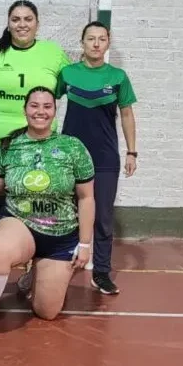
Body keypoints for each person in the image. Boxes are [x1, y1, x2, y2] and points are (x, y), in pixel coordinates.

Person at [0, 87, 95, 347]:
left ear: (55, 112)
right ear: (25, 110)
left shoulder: (73, 147)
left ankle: (34, 275)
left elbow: (86, 198)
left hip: (61, 235)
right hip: (19, 222)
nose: (40, 111)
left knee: (47, 312)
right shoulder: (8, 146)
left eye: (47, 106)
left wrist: (84, 243)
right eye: (34, 105)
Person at [0, 0, 70, 243]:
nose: (22, 24)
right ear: (8, 24)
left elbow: (64, 88)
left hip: (38, 142)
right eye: (16, 19)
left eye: (28, 19)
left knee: (37, 201)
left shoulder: (54, 53)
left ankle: (33, 263)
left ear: (37, 24)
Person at [60, 21, 138, 295]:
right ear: (82, 43)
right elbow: (42, 103)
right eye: (90, 38)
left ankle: (101, 273)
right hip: (68, 157)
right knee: (65, 215)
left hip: (104, 157)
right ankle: (59, 268)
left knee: (103, 217)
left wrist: (131, 151)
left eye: (101, 39)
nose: (95, 43)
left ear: (107, 43)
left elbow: (127, 114)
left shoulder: (118, 77)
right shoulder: (67, 73)